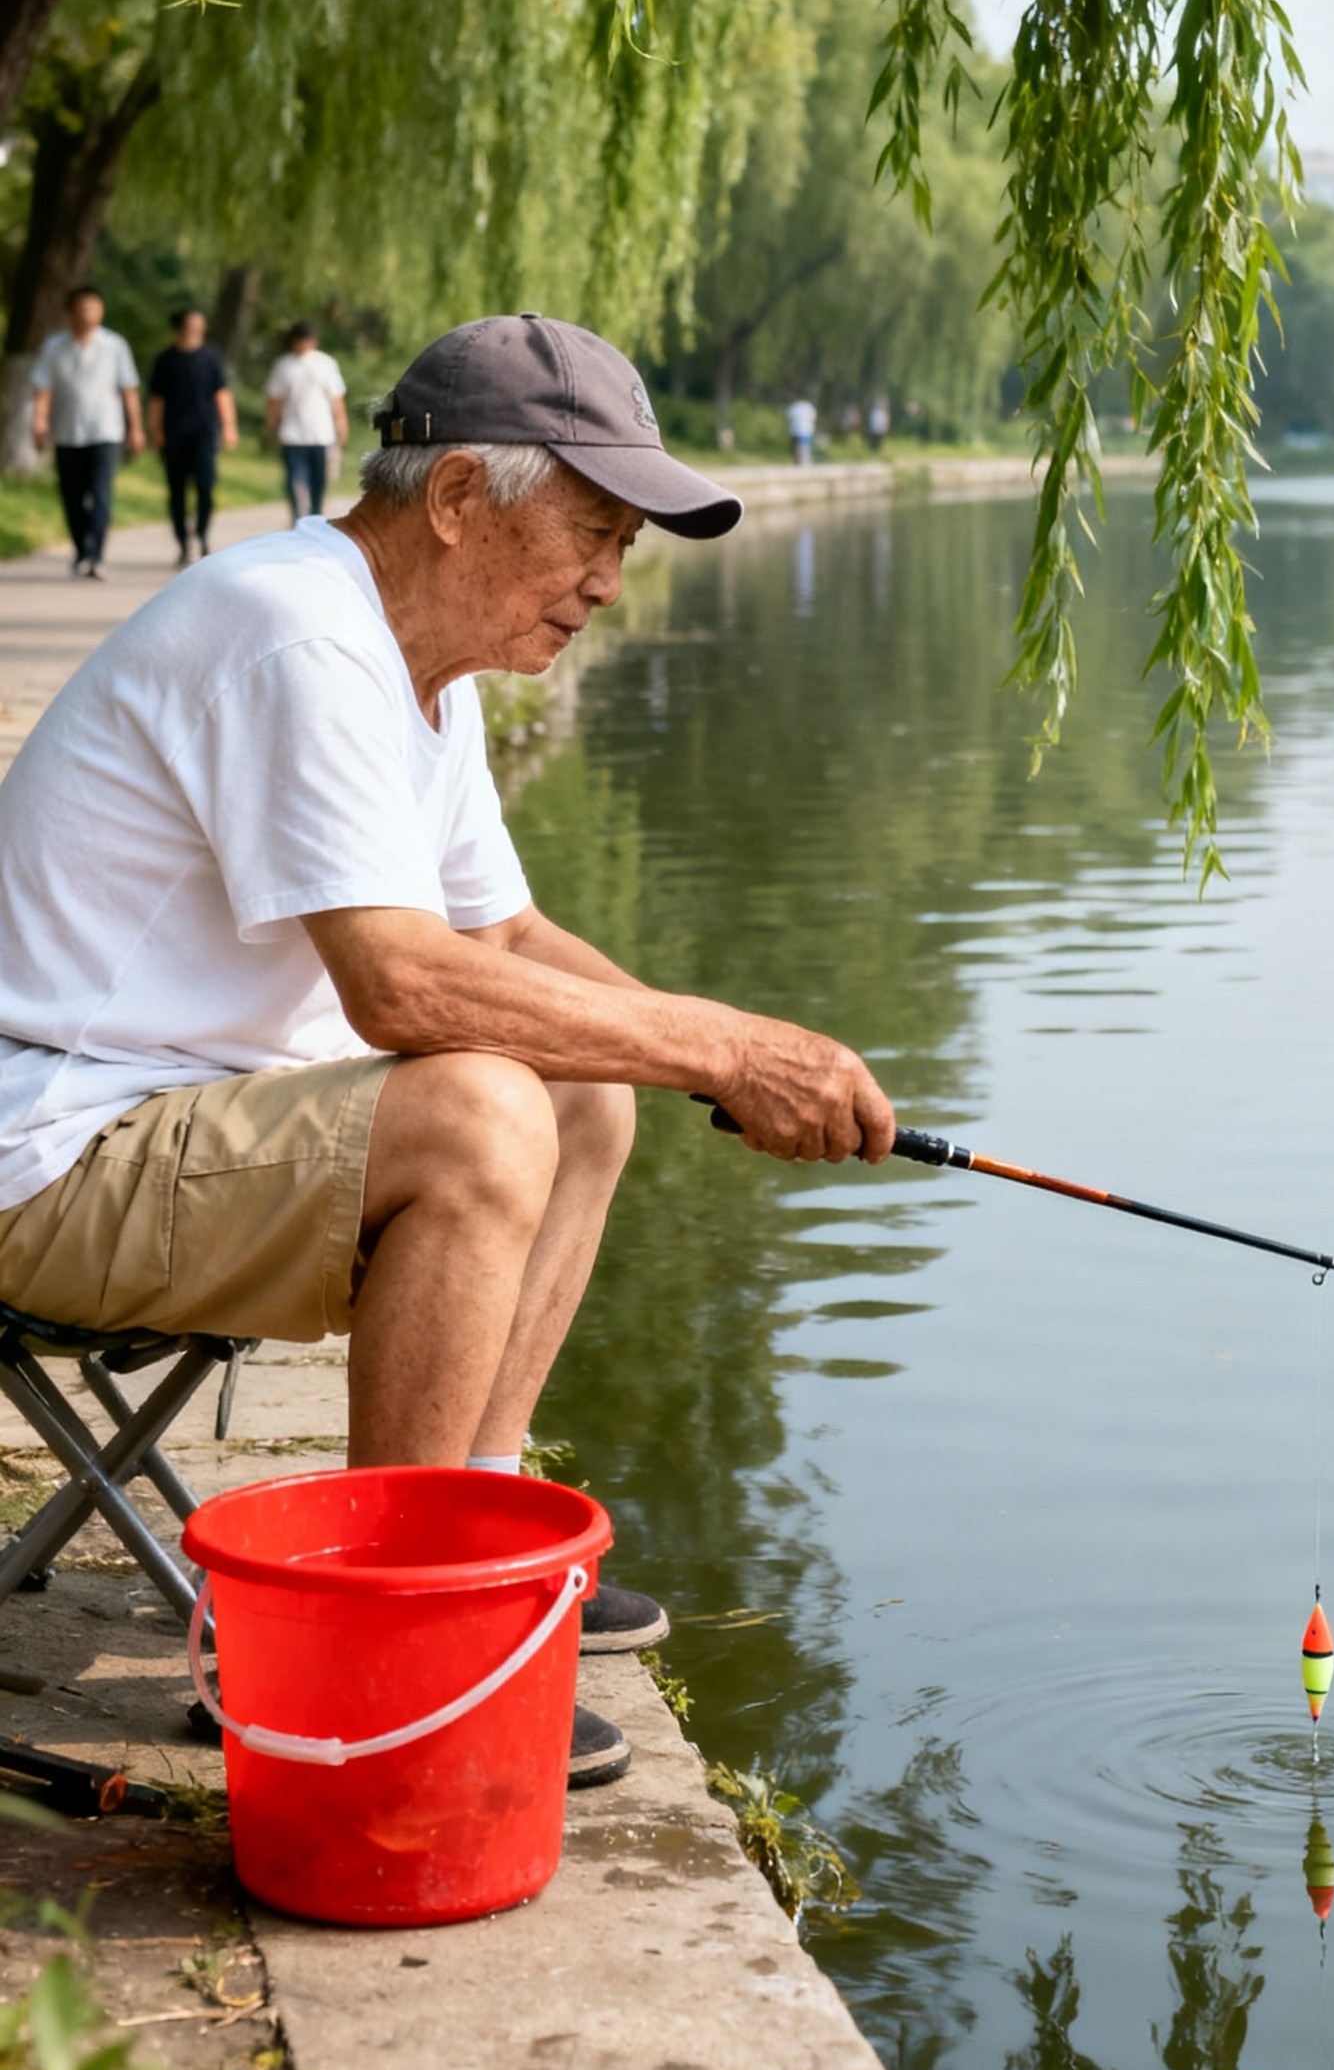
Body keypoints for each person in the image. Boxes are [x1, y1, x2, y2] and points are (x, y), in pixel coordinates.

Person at [0, 313, 894, 1789]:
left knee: (583, 1088)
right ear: (463, 500)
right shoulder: (297, 631)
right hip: (52, 1149)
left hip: (173, 1115)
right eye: (592, 533)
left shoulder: (423, 660)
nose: (609, 581)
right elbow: (406, 990)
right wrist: (721, 1049)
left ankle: (475, 1536)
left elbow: (511, 943)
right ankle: (374, 1655)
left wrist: (744, 1046)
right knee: (482, 1113)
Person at [29, 287, 144, 578]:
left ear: (102, 311)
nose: (88, 314)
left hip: (106, 430)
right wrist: (39, 421)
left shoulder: (115, 345)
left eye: (94, 308)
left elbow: (128, 389)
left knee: (101, 493)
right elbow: (43, 388)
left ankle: (96, 556)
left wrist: (136, 429)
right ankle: (81, 550)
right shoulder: (54, 346)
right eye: (82, 308)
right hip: (67, 431)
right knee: (72, 495)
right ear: (69, 312)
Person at [146, 307, 239, 563]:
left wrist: (229, 425)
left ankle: (201, 534)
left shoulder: (210, 356)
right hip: (174, 435)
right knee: (176, 490)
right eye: (193, 321)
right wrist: (155, 432)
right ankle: (183, 542)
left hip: (204, 434)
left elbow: (221, 392)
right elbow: (157, 401)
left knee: (205, 486)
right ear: (180, 326)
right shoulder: (166, 360)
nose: (199, 325)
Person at [266, 320, 348, 522]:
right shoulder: (284, 366)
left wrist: (341, 424)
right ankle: (298, 518)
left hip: (320, 433)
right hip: (293, 434)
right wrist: (272, 424)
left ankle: (315, 517)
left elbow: (336, 400)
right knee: (295, 480)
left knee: (318, 482)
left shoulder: (326, 364)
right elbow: (275, 400)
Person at [785, 396, 817, 467]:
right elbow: (812, 418)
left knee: (798, 446)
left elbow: (789, 418)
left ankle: (798, 461)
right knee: (804, 446)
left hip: (796, 429)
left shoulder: (794, 407)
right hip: (806, 429)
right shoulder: (808, 406)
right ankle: (804, 461)